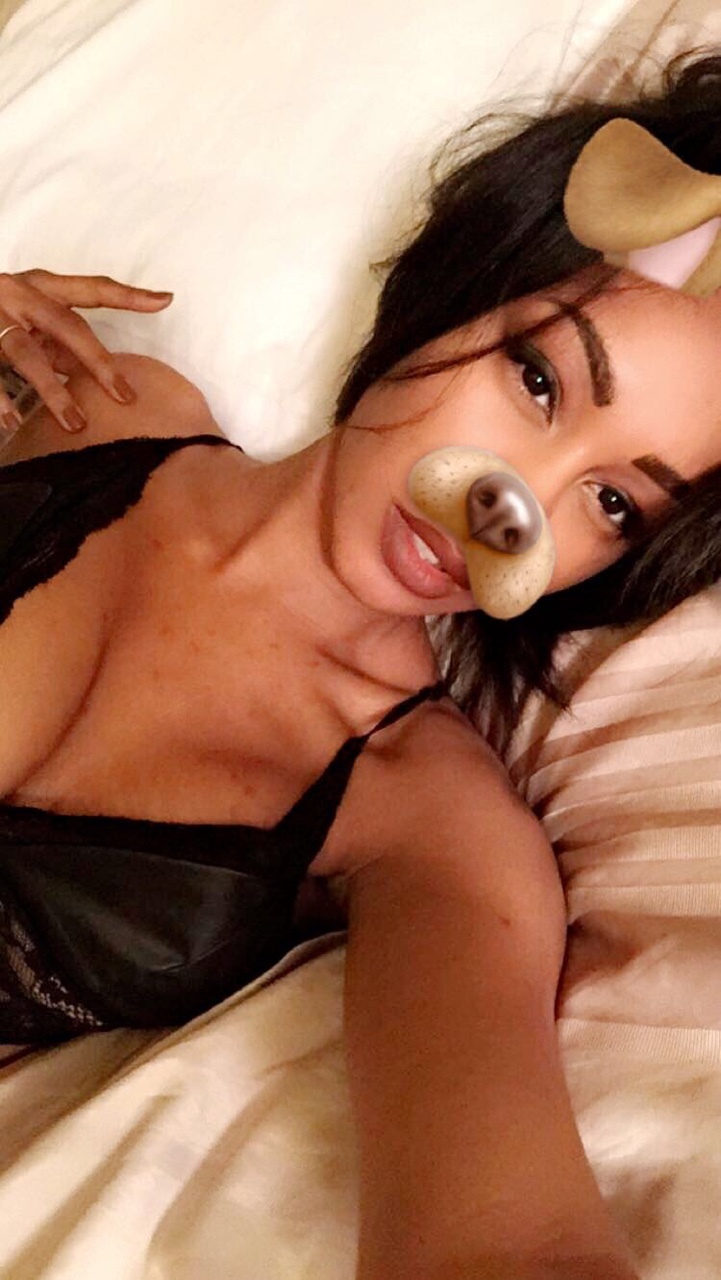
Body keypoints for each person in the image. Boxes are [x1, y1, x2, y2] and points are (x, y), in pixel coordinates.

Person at [1, 47, 721, 1280]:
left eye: (611, 501)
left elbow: (505, 1244)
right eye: (537, 378)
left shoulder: (430, 827)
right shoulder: (101, 403)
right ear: (461, 283)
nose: (512, 508)